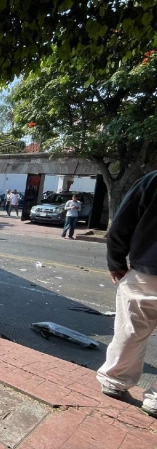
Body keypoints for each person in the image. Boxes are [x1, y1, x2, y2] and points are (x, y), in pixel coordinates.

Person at [96, 171, 157, 418]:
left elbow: (121, 223)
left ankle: (114, 380)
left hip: (145, 273)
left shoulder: (153, 180)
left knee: (130, 330)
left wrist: (116, 262)